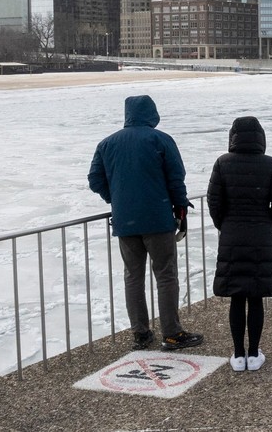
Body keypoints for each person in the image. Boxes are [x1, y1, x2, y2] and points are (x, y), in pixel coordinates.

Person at [89, 95, 203, 351]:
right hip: (157, 219)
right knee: (165, 276)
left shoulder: (107, 143)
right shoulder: (161, 140)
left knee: (133, 277)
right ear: (152, 113)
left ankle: (141, 334)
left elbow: (95, 180)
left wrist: (117, 199)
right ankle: (172, 334)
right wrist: (180, 210)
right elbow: (176, 179)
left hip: (125, 223)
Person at [207, 116, 272, 371]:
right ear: (261, 138)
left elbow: (214, 201)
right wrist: (269, 224)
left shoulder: (222, 163)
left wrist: (225, 224)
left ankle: (238, 354)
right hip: (260, 234)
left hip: (232, 233)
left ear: (232, 137)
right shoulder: (271, 164)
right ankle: (254, 355)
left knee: (236, 296)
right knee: (255, 296)